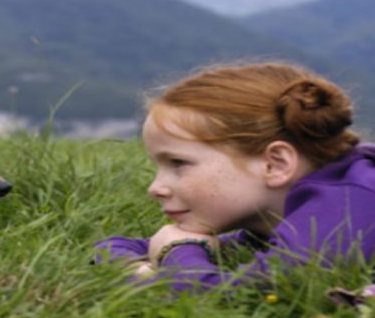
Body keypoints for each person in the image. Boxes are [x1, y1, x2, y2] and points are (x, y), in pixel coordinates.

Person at [94, 61, 375, 291]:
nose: (155, 188)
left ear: (275, 164)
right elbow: (113, 248)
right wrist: (147, 267)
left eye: (179, 163)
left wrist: (176, 253)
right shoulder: (274, 218)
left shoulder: (349, 204)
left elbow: (238, 297)